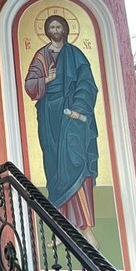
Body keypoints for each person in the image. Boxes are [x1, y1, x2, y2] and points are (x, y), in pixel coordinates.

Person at [24, 15, 100, 248]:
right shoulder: (41, 55)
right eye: (51, 27)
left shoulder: (75, 54)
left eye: (59, 26)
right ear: (47, 31)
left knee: (77, 164)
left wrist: (78, 109)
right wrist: (46, 79)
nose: (55, 30)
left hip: (72, 116)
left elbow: (87, 83)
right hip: (49, 117)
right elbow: (30, 84)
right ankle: (61, 228)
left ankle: (87, 230)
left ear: (65, 29)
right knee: (55, 171)